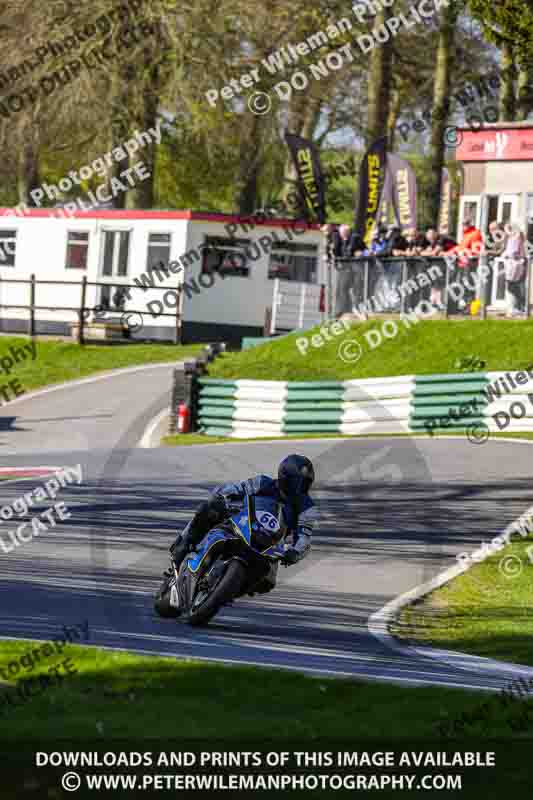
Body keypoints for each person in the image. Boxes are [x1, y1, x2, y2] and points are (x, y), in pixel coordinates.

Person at [164, 455, 317, 598]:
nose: (299, 488)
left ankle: (223, 593)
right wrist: (223, 495)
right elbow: (240, 488)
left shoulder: (306, 507)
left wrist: (295, 552)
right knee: (209, 509)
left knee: (267, 582)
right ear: (285, 477)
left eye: (304, 484)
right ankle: (183, 544)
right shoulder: (263, 483)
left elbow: (304, 536)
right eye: (297, 482)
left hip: (270, 545)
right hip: (243, 523)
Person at [501, 223, 527, 317]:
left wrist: (506, 256)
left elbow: (513, 252)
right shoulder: (515, 237)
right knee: (513, 286)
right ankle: (515, 307)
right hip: (516, 264)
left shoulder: (515, 237)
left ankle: (514, 308)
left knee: (511, 286)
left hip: (514, 264)